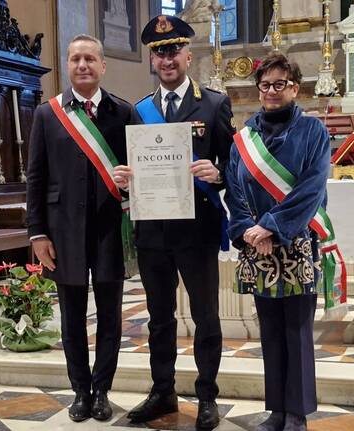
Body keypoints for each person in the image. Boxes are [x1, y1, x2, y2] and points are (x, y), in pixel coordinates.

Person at [113, 15, 235, 430]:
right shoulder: (139, 110)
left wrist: (217, 175)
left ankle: (206, 396)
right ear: (152, 59)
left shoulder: (215, 104)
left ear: (187, 54)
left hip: (197, 229)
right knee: (159, 317)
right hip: (152, 232)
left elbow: (234, 166)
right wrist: (124, 179)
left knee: (205, 316)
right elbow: (131, 167)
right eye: (159, 52)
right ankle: (162, 391)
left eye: (173, 50)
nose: (167, 59)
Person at [26, 34, 136, 423]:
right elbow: (35, 179)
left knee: (110, 317)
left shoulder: (123, 113)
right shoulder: (47, 114)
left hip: (109, 230)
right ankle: (79, 391)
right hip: (62, 234)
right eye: (75, 59)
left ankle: (102, 389)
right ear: (67, 66)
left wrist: (132, 179)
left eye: (90, 58)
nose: (83, 65)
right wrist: (37, 234)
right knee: (72, 319)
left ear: (103, 66)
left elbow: (141, 170)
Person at [224, 53, 332, 431]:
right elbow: (234, 189)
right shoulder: (243, 138)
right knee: (269, 330)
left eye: (280, 84)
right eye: (265, 85)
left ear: (294, 88)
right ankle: (276, 410)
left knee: (296, 331)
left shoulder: (313, 132)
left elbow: (312, 189)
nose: (271, 91)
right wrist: (247, 231)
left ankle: (297, 412)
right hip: (258, 247)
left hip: (297, 242)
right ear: (258, 89)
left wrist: (271, 225)